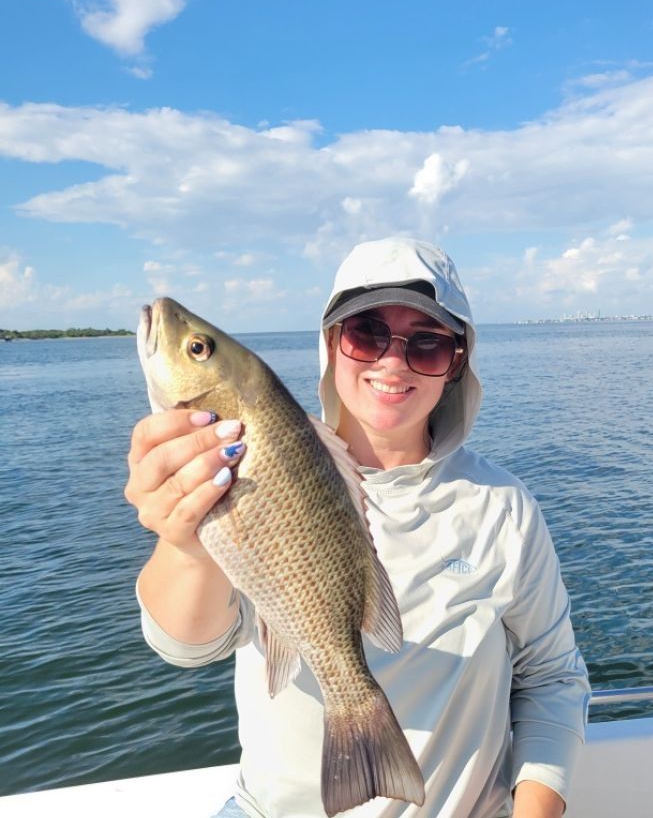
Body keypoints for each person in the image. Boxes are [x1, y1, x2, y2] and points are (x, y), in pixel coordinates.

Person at [126, 236, 590, 818]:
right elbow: (189, 646)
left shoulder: (503, 506)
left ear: (457, 363)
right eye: (366, 333)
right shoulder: (242, 467)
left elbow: (552, 678)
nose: (392, 362)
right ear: (330, 344)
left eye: (427, 344)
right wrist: (185, 543)